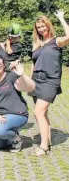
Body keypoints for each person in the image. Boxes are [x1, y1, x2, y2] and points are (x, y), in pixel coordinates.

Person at [29, 10, 69, 156]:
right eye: (38, 27)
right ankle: (48, 140)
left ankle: (44, 146)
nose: (41, 29)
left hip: (50, 81)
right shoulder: (36, 44)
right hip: (36, 81)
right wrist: (29, 81)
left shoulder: (56, 41)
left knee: (38, 112)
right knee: (43, 113)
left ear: (48, 26)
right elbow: (34, 63)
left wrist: (61, 18)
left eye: (43, 26)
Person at [0, 55, 35, 153]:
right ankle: (11, 132)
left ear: (4, 65)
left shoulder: (11, 76)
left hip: (16, 113)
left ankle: (16, 139)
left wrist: (22, 75)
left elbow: (30, 88)